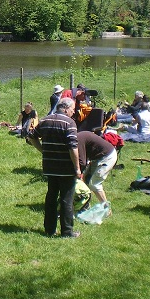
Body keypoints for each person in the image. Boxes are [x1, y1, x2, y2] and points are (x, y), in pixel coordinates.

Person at [28, 97, 81, 238]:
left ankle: (49, 229)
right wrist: (77, 168)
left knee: (51, 197)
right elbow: (73, 147)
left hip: (49, 166)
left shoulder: (45, 120)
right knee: (66, 200)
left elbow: (32, 137)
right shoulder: (69, 123)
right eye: (72, 109)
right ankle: (67, 232)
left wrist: (43, 150)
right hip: (65, 168)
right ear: (65, 108)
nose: (73, 112)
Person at [77, 131, 117, 205]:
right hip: (98, 156)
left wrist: (78, 174)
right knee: (86, 180)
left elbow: (82, 163)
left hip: (107, 156)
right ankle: (84, 205)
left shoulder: (77, 141)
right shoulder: (78, 137)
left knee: (94, 184)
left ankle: (106, 208)